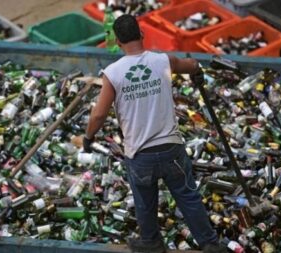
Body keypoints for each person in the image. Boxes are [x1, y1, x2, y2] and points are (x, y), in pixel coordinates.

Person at [83, 14, 227, 253]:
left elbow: (98, 115)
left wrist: (88, 138)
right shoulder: (163, 61)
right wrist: (196, 70)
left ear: (117, 41)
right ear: (142, 34)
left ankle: (151, 241)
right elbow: (190, 64)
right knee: (187, 197)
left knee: (144, 201)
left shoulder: (113, 73)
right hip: (171, 149)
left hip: (140, 154)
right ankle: (210, 243)